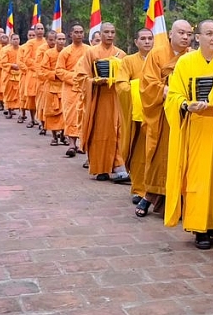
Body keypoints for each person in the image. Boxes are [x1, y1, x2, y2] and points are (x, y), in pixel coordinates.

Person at [163, 20, 213, 249]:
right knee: (199, 178)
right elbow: (173, 95)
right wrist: (186, 105)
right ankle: (199, 228)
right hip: (197, 128)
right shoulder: (185, 62)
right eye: (209, 34)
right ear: (198, 38)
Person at [136, 19, 194, 217]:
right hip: (163, 114)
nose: (185, 37)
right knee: (159, 157)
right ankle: (148, 196)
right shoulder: (157, 54)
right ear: (171, 34)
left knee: (183, 159)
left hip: (185, 113)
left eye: (189, 34)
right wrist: (166, 89)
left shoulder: (194, 56)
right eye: (181, 33)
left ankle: (181, 201)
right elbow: (147, 83)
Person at [76, 22, 129, 180]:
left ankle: (118, 165)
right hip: (99, 99)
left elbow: (127, 76)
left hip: (117, 98)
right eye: (106, 32)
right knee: (99, 132)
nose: (110, 35)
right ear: (101, 33)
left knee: (118, 131)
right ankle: (100, 168)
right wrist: (94, 81)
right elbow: (80, 76)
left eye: (112, 32)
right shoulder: (91, 53)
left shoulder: (121, 54)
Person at [116, 28, 155, 204]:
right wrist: (142, 90)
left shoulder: (160, 60)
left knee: (155, 154)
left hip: (157, 114)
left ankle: (155, 189)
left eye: (150, 38)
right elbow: (121, 85)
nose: (147, 42)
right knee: (139, 154)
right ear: (136, 42)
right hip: (138, 116)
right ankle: (139, 189)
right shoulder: (128, 61)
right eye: (143, 39)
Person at [56, 24, 93, 157]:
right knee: (71, 115)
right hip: (70, 88)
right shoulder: (65, 51)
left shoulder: (89, 50)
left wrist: (85, 79)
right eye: (76, 32)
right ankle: (72, 144)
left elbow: (93, 67)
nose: (79, 34)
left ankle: (82, 144)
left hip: (85, 87)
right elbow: (59, 71)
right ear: (70, 35)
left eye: (81, 32)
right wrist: (75, 78)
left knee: (85, 115)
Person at [40, 32, 67, 145]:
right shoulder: (49, 53)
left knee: (65, 113)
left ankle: (63, 135)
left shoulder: (67, 52)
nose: (61, 41)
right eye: (59, 39)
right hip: (51, 86)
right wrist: (55, 75)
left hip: (65, 86)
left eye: (63, 39)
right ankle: (54, 136)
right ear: (55, 40)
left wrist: (64, 75)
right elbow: (42, 70)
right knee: (51, 112)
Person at [19, 24, 48, 128]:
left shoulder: (47, 42)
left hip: (44, 75)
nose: (40, 30)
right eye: (38, 29)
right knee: (32, 98)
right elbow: (26, 59)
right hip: (32, 74)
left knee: (43, 98)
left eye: (42, 28)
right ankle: (32, 119)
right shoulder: (30, 43)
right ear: (34, 31)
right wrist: (37, 66)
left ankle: (42, 121)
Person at [35, 30, 58, 137]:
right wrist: (49, 76)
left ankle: (59, 130)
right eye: (50, 40)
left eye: (55, 40)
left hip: (59, 81)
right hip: (44, 81)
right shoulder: (42, 50)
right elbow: (39, 66)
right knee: (43, 105)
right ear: (47, 39)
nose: (53, 42)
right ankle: (43, 125)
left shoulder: (61, 51)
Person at [0, 34, 22, 118]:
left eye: (17, 39)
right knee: (8, 93)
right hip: (9, 74)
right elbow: (3, 63)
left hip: (19, 74)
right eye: (14, 39)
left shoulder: (22, 49)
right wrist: (12, 65)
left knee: (19, 94)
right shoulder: (6, 50)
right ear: (11, 40)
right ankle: (9, 110)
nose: (16, 41)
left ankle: (20, 113)